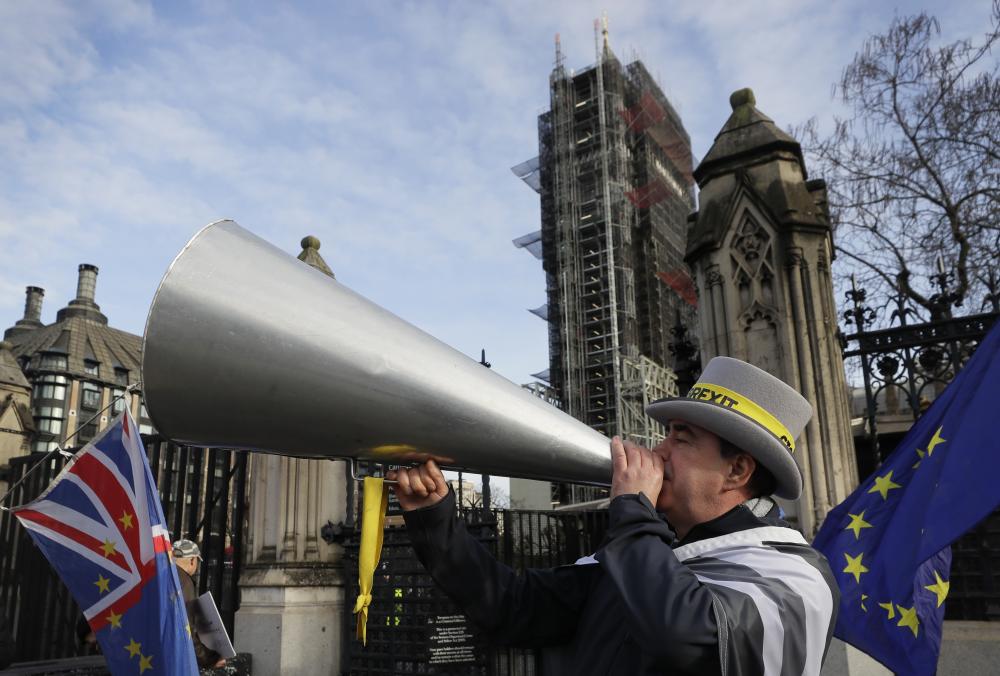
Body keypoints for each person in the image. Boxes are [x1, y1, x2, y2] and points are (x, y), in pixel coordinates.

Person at [390, 356, 839, 675]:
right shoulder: (644, 551)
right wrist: (434, 519)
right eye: (666, 434)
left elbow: (686, 637)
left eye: (681, 439)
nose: (658, 451)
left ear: (737, 470)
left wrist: (634, 512)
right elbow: (512, 607)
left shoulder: (795, 579)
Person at [172, 539, 226, 670]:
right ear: (192, 560)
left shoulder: (162, 576)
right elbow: (186, 629)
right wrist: (209, 659)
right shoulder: (184, 582)